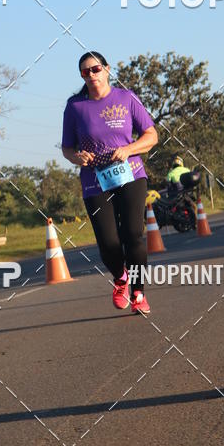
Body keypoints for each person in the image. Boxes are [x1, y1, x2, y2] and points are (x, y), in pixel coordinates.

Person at [61, 52, 158, 314]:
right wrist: (77, 157)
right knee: (108, 242)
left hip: (131, 174)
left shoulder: (126, 98)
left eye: (95, 69)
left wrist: (129, 149)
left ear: (106, 69)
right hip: (95, 180)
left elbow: (151, 136)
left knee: (133, 235)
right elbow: (67, 149)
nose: (91, 75)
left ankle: (138, 293)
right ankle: (120, 278)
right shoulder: (75, 107)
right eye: (85, 72)